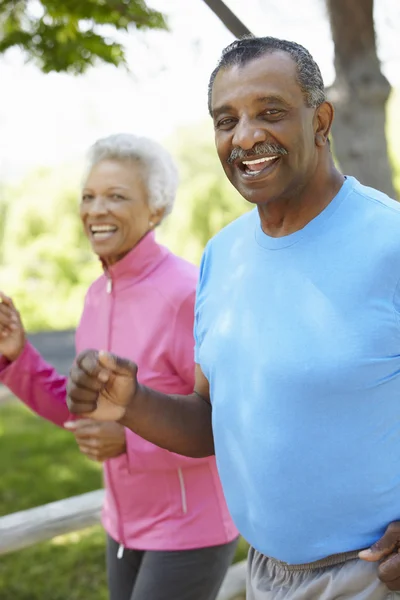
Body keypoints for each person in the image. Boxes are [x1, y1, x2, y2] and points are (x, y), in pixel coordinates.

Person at [63, 37, 400, 599]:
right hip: (265, 576)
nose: (245, 137)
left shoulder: (390, 242)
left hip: (376, 577)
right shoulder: (223, 254)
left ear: (320, 120)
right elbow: (213, 420)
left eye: (270, 112)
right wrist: (131, 403)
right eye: (226, 120)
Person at [0, 133, 239, 600]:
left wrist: (127, 442)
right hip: (123, 527)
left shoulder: (187, 293)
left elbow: (223, 426)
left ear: (156, 209)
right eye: (88, 196)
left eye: (116, 196)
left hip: (192, 528)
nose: (96, 209)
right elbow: (81, 408)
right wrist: (16, 353)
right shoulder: (95, 294)